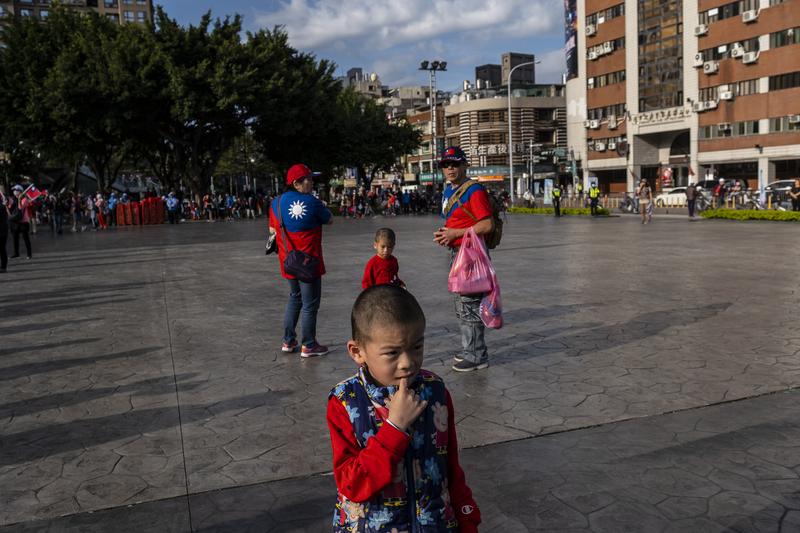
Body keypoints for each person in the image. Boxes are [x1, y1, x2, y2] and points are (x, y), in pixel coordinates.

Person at [328, 285, 481, 532]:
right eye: (392, 353)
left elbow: (450, 467)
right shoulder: (344, 402)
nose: (408, 362)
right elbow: (351, 484)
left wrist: (466, 517)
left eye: (416, 347)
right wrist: (394, 428)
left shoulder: (435, 392)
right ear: (358, 352)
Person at [433, 146, 495, 372]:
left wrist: (455, 234)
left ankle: (476, 354)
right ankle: (471, 349)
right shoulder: (449, 191)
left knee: (469, 304)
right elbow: (454, 222)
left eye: (455, 164)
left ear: (464, 165)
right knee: (461, 305)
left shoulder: (474, 190)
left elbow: (487, 224)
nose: (450, 168)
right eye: (446, 164)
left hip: (470, 255)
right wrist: (445, 234)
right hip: (456, 253)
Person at [268, 163, 333, 358]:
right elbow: (329, 219)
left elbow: (272, 230)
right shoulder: (312, 202)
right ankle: (309, 344)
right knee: (310, 304)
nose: (312, 183)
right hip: (309, 263)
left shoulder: (276, 203)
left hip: (287, 261)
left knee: (294, 297)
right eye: (309, 180)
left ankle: (288, 341)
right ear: (296, 183)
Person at [0, 187, 9, 272]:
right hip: (3, 229)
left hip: (2, 231)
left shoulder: (2, 206)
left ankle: (3, 267)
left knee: (2, 249)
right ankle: (3, 267)